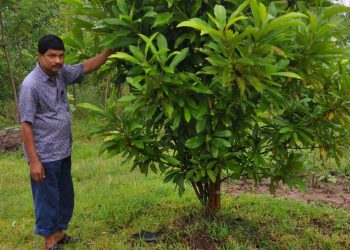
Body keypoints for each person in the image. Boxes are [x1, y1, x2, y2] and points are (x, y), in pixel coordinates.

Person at [18, 34, 114, 250]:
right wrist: (34, 161)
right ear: (40, 56)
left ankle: (59, 234)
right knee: (47, 200)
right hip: (44, 155)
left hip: (62, 151)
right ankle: (49, 243)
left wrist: (108, 52)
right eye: (52, 56)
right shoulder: (30, 85)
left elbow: (86, 67)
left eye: (61, 56)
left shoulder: (60, 74)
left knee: (64, 197)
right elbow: (25, 125)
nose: (57, 61)